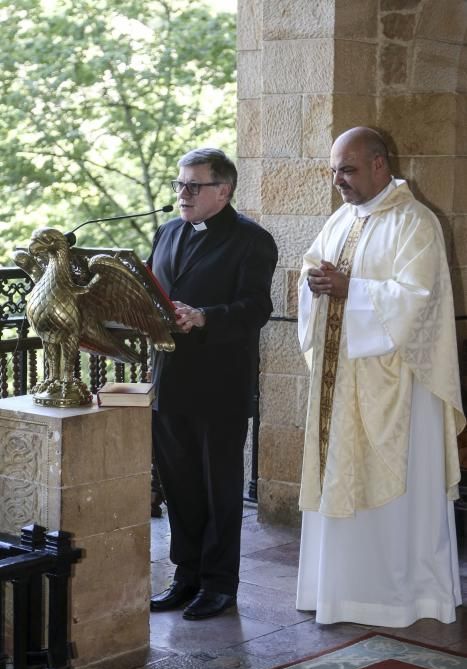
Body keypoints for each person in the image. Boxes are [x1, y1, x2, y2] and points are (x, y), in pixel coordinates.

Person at [296, 126, 465, 627]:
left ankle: (400, 595)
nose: (338, 181)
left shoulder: (416, 223)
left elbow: (416, 300)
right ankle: (338, 590)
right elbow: (314, 268)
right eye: (333, 170)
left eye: (346, 169)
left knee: (397, 495)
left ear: (378, 164)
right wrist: (315, 283)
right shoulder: (341, 219)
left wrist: (351, 289)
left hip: (397, 389)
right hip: (340, 381)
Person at [147, 148, 278, 620]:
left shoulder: (251, 240)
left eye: (194, 185)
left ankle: (219, 585)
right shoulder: (166, 232)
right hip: (168, 381)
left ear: (223, 191)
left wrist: (204, 317)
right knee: (179, 484)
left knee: (218, 487)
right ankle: (186, 576)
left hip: (219, 384)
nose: (182, 193)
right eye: (179, 183)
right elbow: (151, 293)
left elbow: (256, 309)